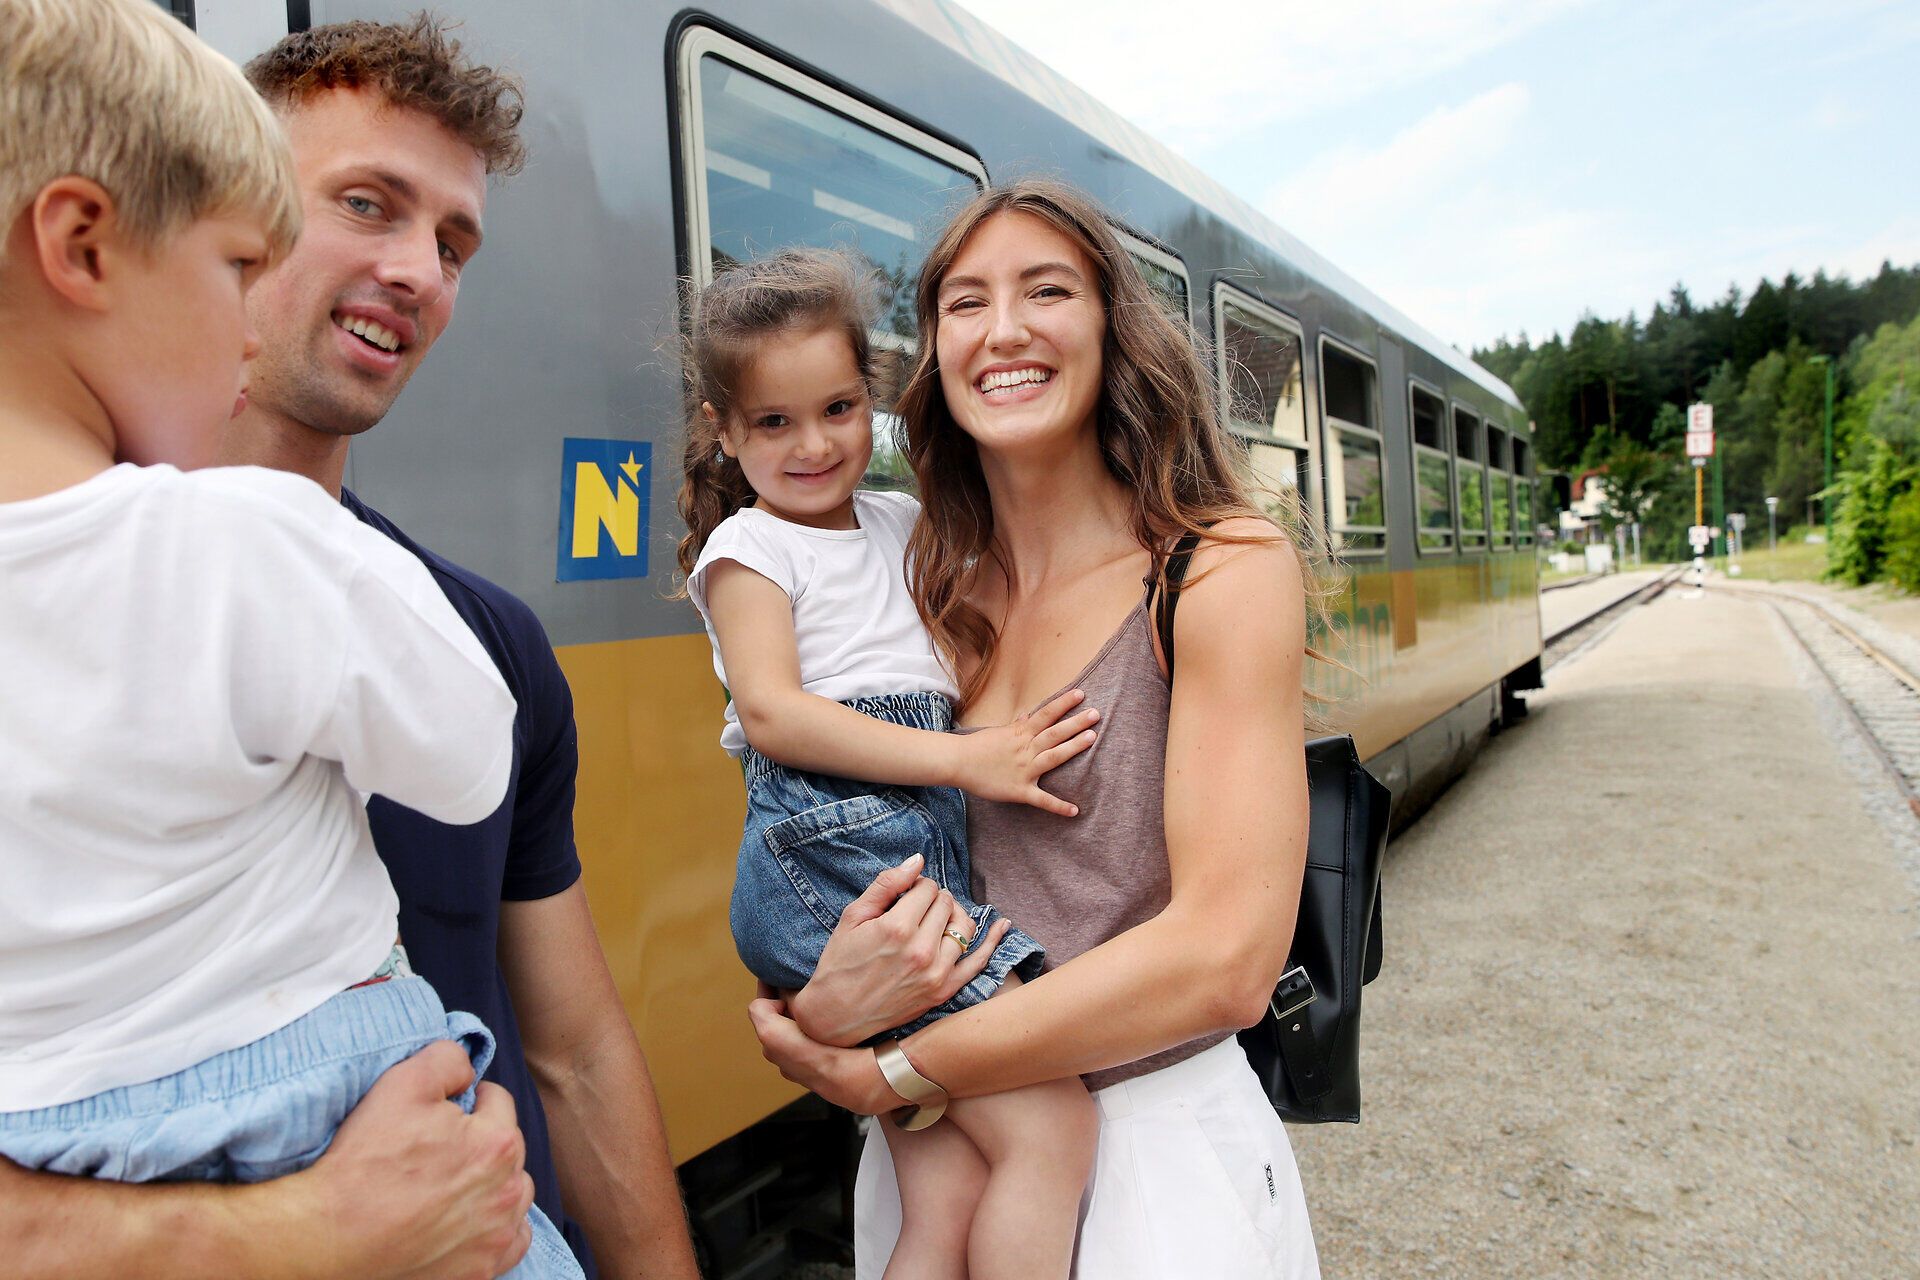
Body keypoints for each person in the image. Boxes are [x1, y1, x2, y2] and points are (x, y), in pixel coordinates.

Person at [0, 12, 699, 1279]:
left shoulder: (496, 642)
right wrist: (295, 1234)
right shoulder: (318, 594)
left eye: (454, 242)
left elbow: (576, 1050)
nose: (424, 272)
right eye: (366, 204)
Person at [745, 179, 1324, 1278]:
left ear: (1113, 327)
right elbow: (815, 861)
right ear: (932, 355)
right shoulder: (918, 602)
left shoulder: (1217, 568)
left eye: (1045, 289)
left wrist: (903, 1066)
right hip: (943, 1158)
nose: (1003, 329)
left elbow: (1226, 959)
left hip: (1152, 1154)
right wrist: (826, 1006)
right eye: (965, 303)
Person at [676, 249, 1103, 1279]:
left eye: (835, 408)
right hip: (832, 856)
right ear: (724, 432)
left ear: (873, 401)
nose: (813, 444)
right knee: (1053, 1131)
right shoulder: (747, 549)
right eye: (773, 423)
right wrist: (968, 757)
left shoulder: (899, 521)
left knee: (948, 1186)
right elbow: (774, 714)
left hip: (900, 852)